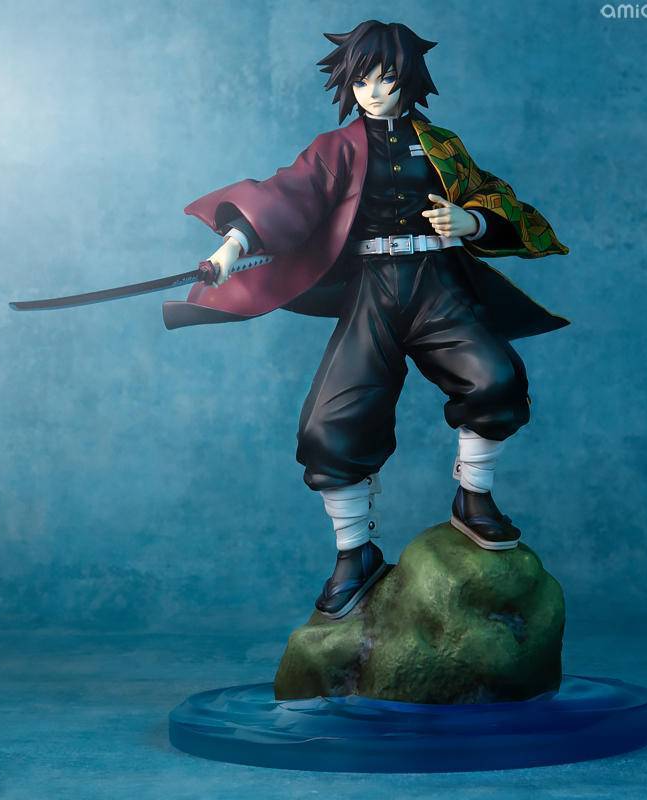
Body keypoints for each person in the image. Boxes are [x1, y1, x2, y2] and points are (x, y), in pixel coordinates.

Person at [167, 20, 569, 620]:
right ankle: (354, 553)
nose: (374, 91)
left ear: (410, 78)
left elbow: (492, 195)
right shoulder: (337, 149)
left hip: (437, 286)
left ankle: (474, 497)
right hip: (371, 292)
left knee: (496, 378)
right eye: (362, 80)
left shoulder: (443, 146)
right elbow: (285, 194)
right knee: (329, 427)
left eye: (386, 78)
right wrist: (232, 246)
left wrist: (473, 222)